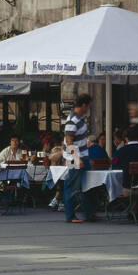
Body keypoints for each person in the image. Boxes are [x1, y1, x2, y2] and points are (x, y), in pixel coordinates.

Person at [62, 94, 96, 223]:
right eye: (89, 106)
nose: (89, 108)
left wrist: (85, 155)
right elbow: (69, 141)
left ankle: (90, 213)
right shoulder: (72, 120)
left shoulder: (80, 118)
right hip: (74, 158)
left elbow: (78, 139)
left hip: (83, 157)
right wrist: (77, 158)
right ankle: (70, 216)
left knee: (89, 186)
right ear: (83, 105)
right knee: (72, 186)